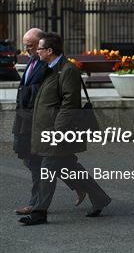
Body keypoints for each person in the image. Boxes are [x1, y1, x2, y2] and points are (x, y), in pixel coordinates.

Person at [18, 32, 111, 226]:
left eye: (40, 48)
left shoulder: (67, 70)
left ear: (49, 51)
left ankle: (39, 212)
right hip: (47, 129)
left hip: (57, 131)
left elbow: (69, 104)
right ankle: (100, 198)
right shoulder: (49, 68)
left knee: (47, 170)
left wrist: (58, 132)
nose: (37, 51)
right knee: (70, 167)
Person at [12, 28, 85, 216]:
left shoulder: (49, 66)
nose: (27, 49)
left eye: (31, 45)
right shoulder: (34, 60)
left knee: (41, 163)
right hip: (26, 119)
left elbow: (61, 98)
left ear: (43, 45)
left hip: (39, 122)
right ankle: (85, 188)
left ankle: (35, 205)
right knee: (55, 162)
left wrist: (57, 128)